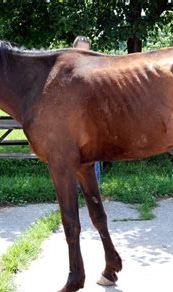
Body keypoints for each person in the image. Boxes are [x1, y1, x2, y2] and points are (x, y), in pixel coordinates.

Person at [72, 36, 102, 184]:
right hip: (72, 119)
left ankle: (93, 184)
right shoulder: (67, 71)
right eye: (80, 51)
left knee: (92, 152)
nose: (83, 55)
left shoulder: (94, 70)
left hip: (90, 119)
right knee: (72, 151)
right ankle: (76, 185)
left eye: (86, 51)